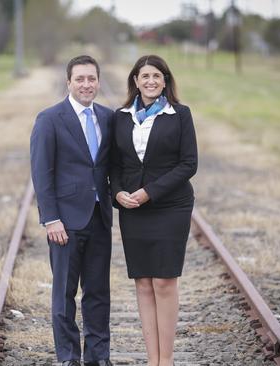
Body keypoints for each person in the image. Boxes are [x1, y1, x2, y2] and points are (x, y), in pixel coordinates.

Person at [110, 55, 197, 366]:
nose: (150, 81)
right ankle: (152, 360)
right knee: (143, 282)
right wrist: (117, 192)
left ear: (165, 81)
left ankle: (167, 360)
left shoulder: (180, 115)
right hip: (132, 209)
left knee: (164, 280)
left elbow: (189, 164)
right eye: (144, 76)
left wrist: (151, 192)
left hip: (171, 206)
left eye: (156, 76)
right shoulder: (119, 117)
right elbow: (114, 165)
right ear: (135, 80)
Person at [30, 55, 114, 366]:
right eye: (80, 79)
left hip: (99, 217)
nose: (86, 84)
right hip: (65, 221)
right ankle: (68, 358)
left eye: (91, 78)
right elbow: (42, 173)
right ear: (69, 83)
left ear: (98, 82)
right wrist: (51, 219)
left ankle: (98, 358)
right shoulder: (50, 119)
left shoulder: (107, 117)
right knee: (64, 296)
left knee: (98, 294)